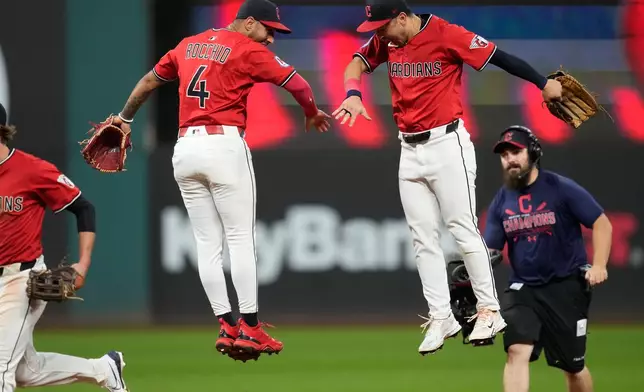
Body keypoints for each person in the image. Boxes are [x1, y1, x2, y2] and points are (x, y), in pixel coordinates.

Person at [333, 0, 564, 355]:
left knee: (461, 228)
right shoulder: (387, 40)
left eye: (382, 26)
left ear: (403, 17)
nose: (378, 34)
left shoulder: (447, 34)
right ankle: (441, 316)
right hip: (408, 149)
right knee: (421, 238)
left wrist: (540, 82)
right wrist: (352, 92)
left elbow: (498, 57)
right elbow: (356, 62)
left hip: (446, 143)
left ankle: (489, 309)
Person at [106, 0, 330, 360]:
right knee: (240, 238)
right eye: (269, 30)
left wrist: (124, 117)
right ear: (249, 23)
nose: (272, 39)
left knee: (207, 243)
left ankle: (226, 323)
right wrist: (311, 112)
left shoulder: (186, 44)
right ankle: (252, 328)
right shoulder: (247, 49)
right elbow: (299, 83)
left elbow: (149, 82)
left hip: (185, 150)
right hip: (224, 145)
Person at [0, 103, 128, 392]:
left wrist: (82, 264)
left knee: (0, 368)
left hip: (19, 280)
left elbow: (84, 209)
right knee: (25, 371)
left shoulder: (31, 169)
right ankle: (103, 369)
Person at [484, 125, 611, 392]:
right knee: (517, 350)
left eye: (516, 151)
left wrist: (599, 264)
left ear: (533, 152)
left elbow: (601, 223)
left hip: (566, 286)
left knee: (572, 366)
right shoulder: (502, 199)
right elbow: (492, 251)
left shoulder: (560, 188)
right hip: (523, 288)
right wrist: (473, 277)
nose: (510, 159)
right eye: (504, 154)